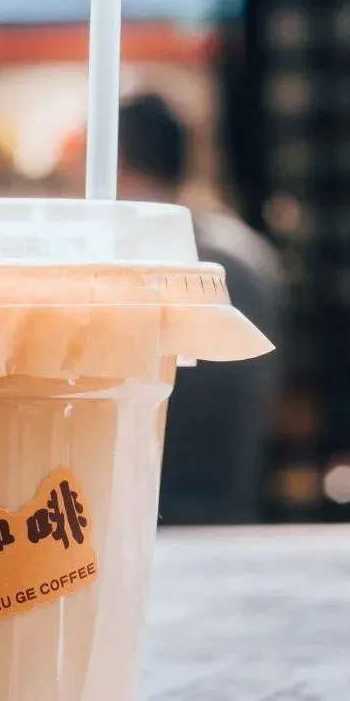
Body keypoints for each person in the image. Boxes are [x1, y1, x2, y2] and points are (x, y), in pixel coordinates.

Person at [117, 94, 284, 524]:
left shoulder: (119, 264)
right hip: (236, 512)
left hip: (140, 519)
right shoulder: (252, 257)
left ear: (118, 162)